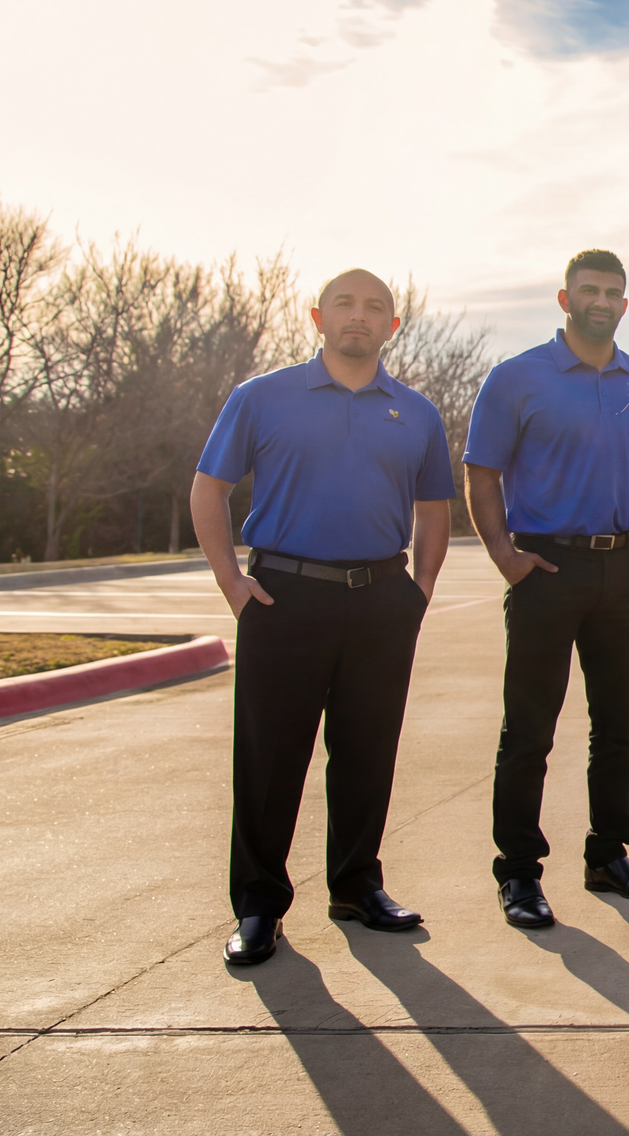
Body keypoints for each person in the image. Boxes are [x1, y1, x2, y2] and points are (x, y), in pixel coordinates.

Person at [192, 268, 453, 967]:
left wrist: (420, 591)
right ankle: (258, 905)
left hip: (381, 597)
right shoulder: (261, 397)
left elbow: (433, 508)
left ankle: (356, 886)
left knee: (369, 750)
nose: (358, 315)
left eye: (375, 307)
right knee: (270, 758)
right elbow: (208, 488)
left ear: (392, 325)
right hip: (285, 596)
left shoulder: (417, 413)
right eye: (344, 303)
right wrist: (232, 583)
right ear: (317, 317)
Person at [465, 249, 629, 929]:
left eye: (613, 292)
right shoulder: (516, 378)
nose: (601, 301)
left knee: (618, 728)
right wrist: (506, 557)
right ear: (565, 299)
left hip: (625, 571)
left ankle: (607, 853)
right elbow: (482, 473)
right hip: (546, 569)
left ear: (625, 304)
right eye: (589, 290)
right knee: (529, 730)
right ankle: (519, 871)